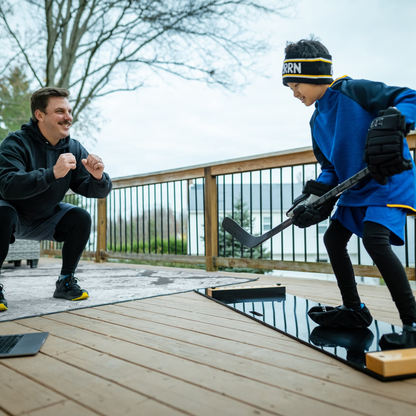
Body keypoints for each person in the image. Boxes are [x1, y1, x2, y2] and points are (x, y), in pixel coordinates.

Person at [282, 38, 416, 343]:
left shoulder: (354, 91)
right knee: (333, 238)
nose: (294, 93)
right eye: (289, 88)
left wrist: (398, 118)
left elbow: (411, 97)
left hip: (387, 181)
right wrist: (316, 196)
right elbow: (330, 167)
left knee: (375, 241)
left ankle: (413, 325)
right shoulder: (317, 120)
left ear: (314, 75)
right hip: (355, 188)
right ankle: (354, 310)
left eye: (295, 85)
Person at [0, 87, 112, 312]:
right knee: (2, 212)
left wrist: (99, 177)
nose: (68, 117)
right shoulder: (15, 143)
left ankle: (65, 281)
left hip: (46, 217)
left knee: (80, 217)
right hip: (12, 214)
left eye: (69, 111)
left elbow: (94, 190)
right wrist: (52, 173)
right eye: (60, 111)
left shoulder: (73, 147)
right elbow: (7, 185)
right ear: (40, 115)